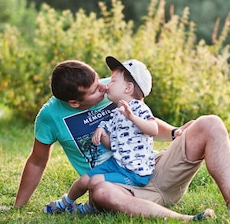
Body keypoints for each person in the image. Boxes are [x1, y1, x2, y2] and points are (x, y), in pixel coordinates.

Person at [14, 58, 230, 221]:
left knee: (211, 123)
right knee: (101, 191)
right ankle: (186, 219)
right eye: (96, 90)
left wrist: (176, 132)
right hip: (117, 187)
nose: (104, 89)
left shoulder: (113, 87)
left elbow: (145, 119)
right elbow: (37, 161)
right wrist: (19, 207)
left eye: (102, 82)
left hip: (150, 168)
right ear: (74, 102)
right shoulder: (50, 116)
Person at [43, 57, 159, 215]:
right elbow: (113, 145)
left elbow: (153, 129)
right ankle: (65, 203)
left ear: (128, 88)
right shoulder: (117, 112)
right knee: (84, 180)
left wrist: (133, 118)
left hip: (135, 172)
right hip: (117, 164)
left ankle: (89, 208)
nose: (106, 85)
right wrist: (101, 132)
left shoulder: (138, 108)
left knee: (95, 181)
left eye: (112, 81)